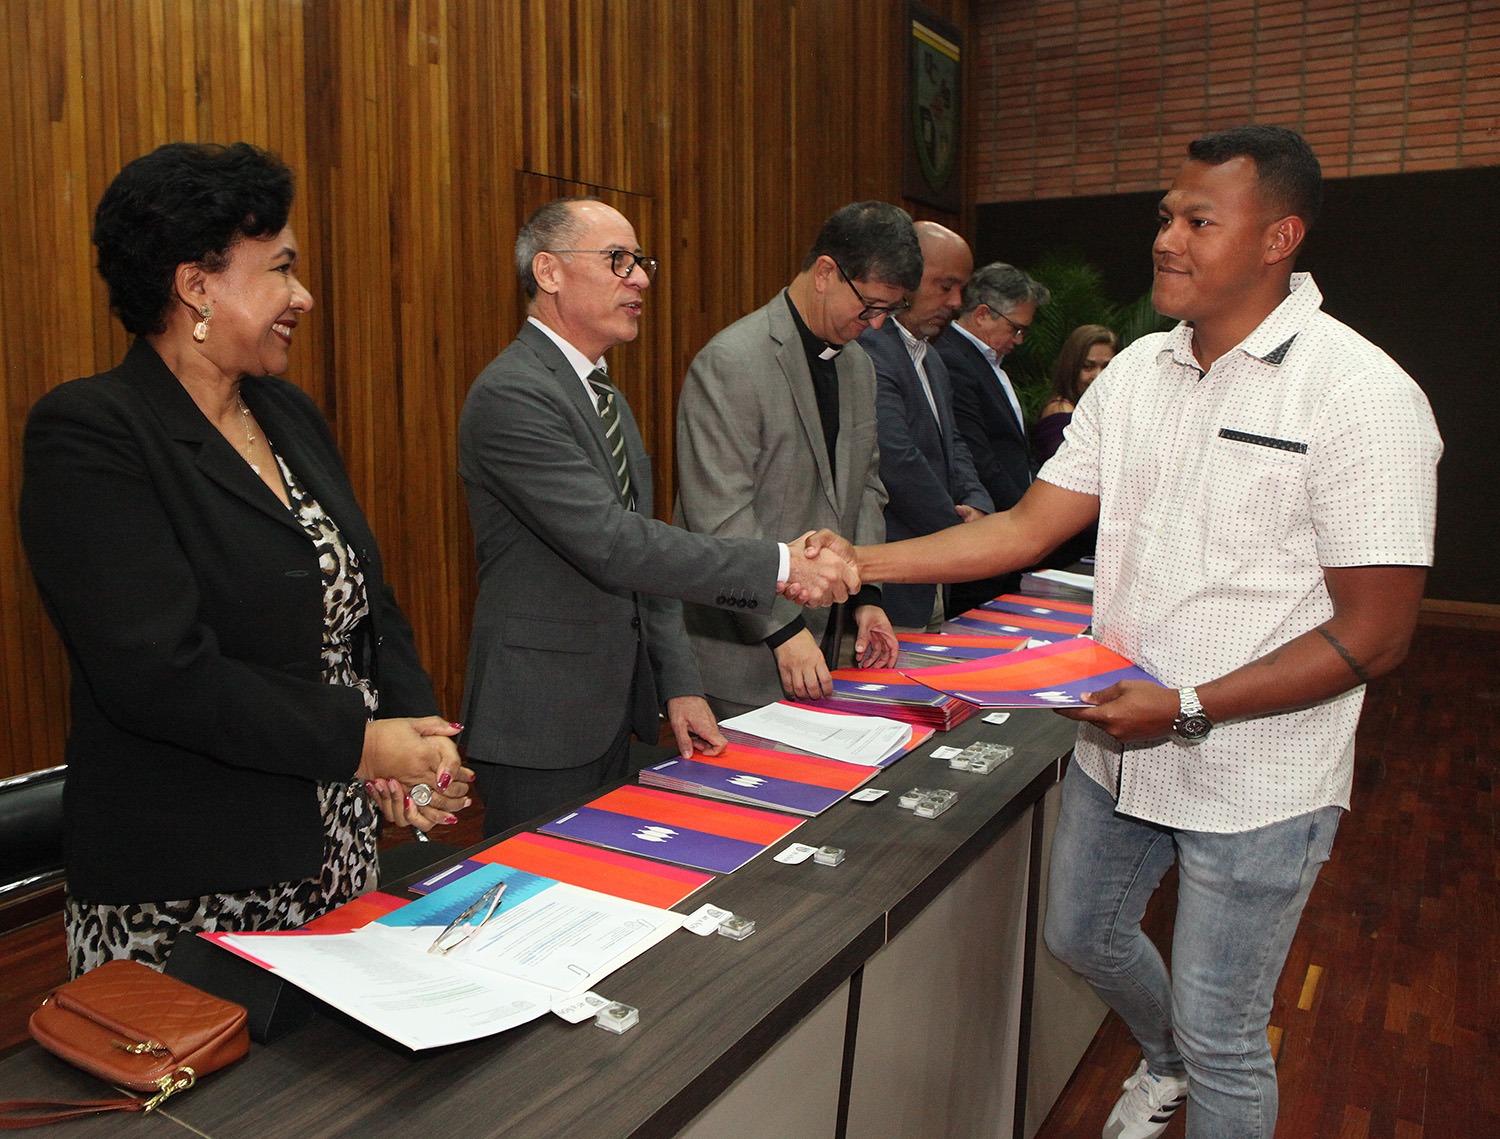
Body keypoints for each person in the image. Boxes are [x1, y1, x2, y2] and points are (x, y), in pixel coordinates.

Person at [826, 125, 1442, 1138]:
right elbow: (1026, 527)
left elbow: (1376, 634)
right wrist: (859, 562)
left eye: (1200, 220)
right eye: (1166, 214)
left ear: (1278, 237)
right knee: (1082, 934)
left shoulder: (1362, 394)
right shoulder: (1141, 370)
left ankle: (1192, 1059)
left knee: (1226, 1031)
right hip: (1120, 746)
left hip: (1258, 777)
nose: (1167, 238)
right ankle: (1165, 1062)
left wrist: (1189, 705)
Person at [19, 142, 471, 977]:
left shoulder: (288, 413)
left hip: (335, 851)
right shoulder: (92, 433)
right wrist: (362, 743)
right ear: (197, 285)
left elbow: (367, 602)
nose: (303, 296)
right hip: (193, 885)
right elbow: (158, 673)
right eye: (281, 269)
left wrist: (418, 736)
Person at [458, 197, 857, 836]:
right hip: (541, 715)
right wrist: (780, 564)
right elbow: (617, 545)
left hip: (613, 707)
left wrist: (679, 683)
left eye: (641, 262)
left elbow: (648, 561)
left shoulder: (600, 393)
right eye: (618, 260)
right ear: (549, 271)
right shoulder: (514, 394)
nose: (640, 278)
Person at [675, 201, 915, 715]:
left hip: (827, 645)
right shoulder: (731, 361)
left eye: (889, 312)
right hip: (743, 653)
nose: (876, 325)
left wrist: (867, 597)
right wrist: (783, 629)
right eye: (870, 306)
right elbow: (719, 517)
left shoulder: (858, 367)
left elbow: (867, 487)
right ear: (826, 272)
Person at [859, 221, 992, 630]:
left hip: (935, 573)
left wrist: (977, 502)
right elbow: (895, 459)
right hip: (890, 583)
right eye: (945, 286)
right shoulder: (869, 349)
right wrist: (961, 533)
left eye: (962, 289)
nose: (956, 302)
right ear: (907, 277)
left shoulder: (932, 358)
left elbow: (954, 444)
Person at [935, 262, 1050, 612]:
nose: (1019, 339)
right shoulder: (953, 358)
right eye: (1016, 328)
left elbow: (1014, 449)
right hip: (989, 530)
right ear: (983, 314)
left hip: (1008, 529)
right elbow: (978, 455)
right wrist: (1027, 518)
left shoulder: (989, 361)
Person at [1033, 323, 1120, 464]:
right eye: (1088, 367)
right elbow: (1068, 467)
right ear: (1072, 368)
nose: (1098, 375)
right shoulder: (1061, 412)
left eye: (1107, 367)